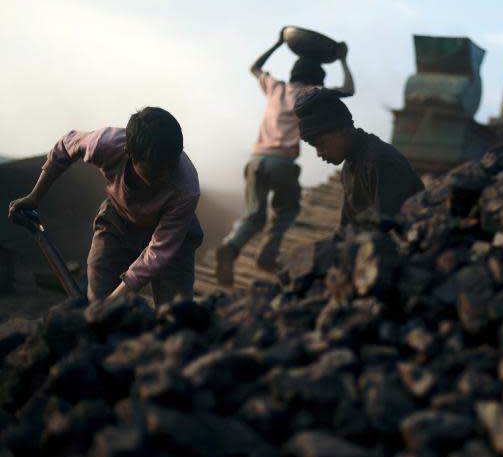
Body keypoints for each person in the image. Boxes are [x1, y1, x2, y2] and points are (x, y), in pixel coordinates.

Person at [7, 107, 203, 306]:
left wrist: (114, 301)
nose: (166, 175)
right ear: (129, 153)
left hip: (173, 236)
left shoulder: (186, 189)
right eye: (155, 170)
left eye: (172, 166)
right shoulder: (106, 144)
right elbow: (65, 147)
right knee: (98, 297)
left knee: (176, 311)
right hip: (118, 219)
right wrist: (34, 197)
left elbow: (158, 253)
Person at [216, 28, 355, 284]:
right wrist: (343, 59)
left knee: (254, 214)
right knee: (287, 209)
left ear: (293, 73)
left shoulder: (276, 87)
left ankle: (232, 245)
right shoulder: (312, 93)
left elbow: (255, 67)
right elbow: (349, 89)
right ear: (317, 78)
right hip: (283, 164)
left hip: (256, 160)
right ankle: (267, 255)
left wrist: (279, 43)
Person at [293, 88, 424, 227]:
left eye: (321, 144)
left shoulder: (381, 161)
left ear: (343, 130)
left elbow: (387, 229)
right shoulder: (349, 167)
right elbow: (347, 228)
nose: (319, 153)